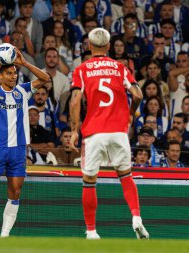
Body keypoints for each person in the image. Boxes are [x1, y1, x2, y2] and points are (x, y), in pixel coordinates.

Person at [69, 28, 149, 240]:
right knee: (125, 176)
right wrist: (130, 115)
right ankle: (136, 218)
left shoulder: (82, 69)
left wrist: (74, 130)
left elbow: (75, 100)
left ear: (89, 46)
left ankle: (92, 231)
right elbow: (138, 95)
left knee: (89, 181)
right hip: (118, 131)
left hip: (94, 132)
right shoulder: (120, 68)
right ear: (108, 46)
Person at [0, 47, 50, 237]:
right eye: (9, 73)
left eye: (14, 73)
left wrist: (24, 63)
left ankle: (5, 235)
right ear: (1, 76)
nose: (13, 76)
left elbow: (45, 78)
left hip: (18, 150)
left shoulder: (24, 91)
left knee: (15, 192)